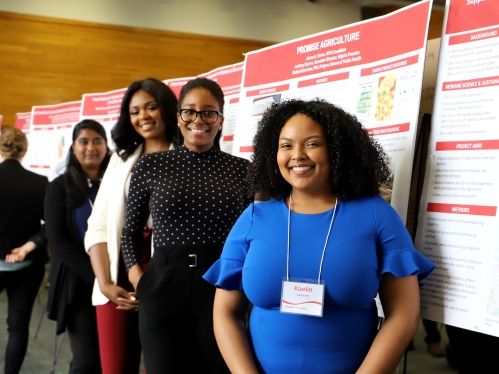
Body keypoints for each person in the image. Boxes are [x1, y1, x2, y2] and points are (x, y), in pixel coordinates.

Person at [203, 99, 436, 373]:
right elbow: (225, 313)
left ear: (337, 151)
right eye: (286, 145)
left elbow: (403, 314)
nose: (297, 154)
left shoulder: (375, 214)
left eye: (312, 144)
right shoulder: (254, 217)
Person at [121, 77, 252, 373]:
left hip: (221, 289)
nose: (199, 120)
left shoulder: (243, 170)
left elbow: (252, 238)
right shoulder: (151, 165)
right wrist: (139, 281)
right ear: (178, 117)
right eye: (190, 111)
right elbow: (130, 233)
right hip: (162, 287)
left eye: (209, 112)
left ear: (220, 119)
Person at [85, 77, 178, 374]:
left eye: (151, 107)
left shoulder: (189, 156)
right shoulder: (120, 160)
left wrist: (152, 288)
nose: (143, 117)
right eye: (135, 111)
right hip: (118, 279)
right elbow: (97, 225)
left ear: (167, 107)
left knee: (162, 365)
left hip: (169, 280)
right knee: (115, 368)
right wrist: (105, 284)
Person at [45, 120, 111, 373]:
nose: (91, 147)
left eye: (97, 141)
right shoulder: (59, 188)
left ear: (106, 146)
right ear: (73, 147)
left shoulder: (117, 183)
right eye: (83, 141)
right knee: (87, 359)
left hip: (117, 280)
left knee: (113, 356)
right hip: (79, 284)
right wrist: (98, 277)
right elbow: (58, 241)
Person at [0, 127, 48, 374]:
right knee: (18, 328)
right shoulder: (40, 183)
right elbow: (50, 225)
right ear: (25, 152)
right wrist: (27, 247)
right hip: (27, 265)